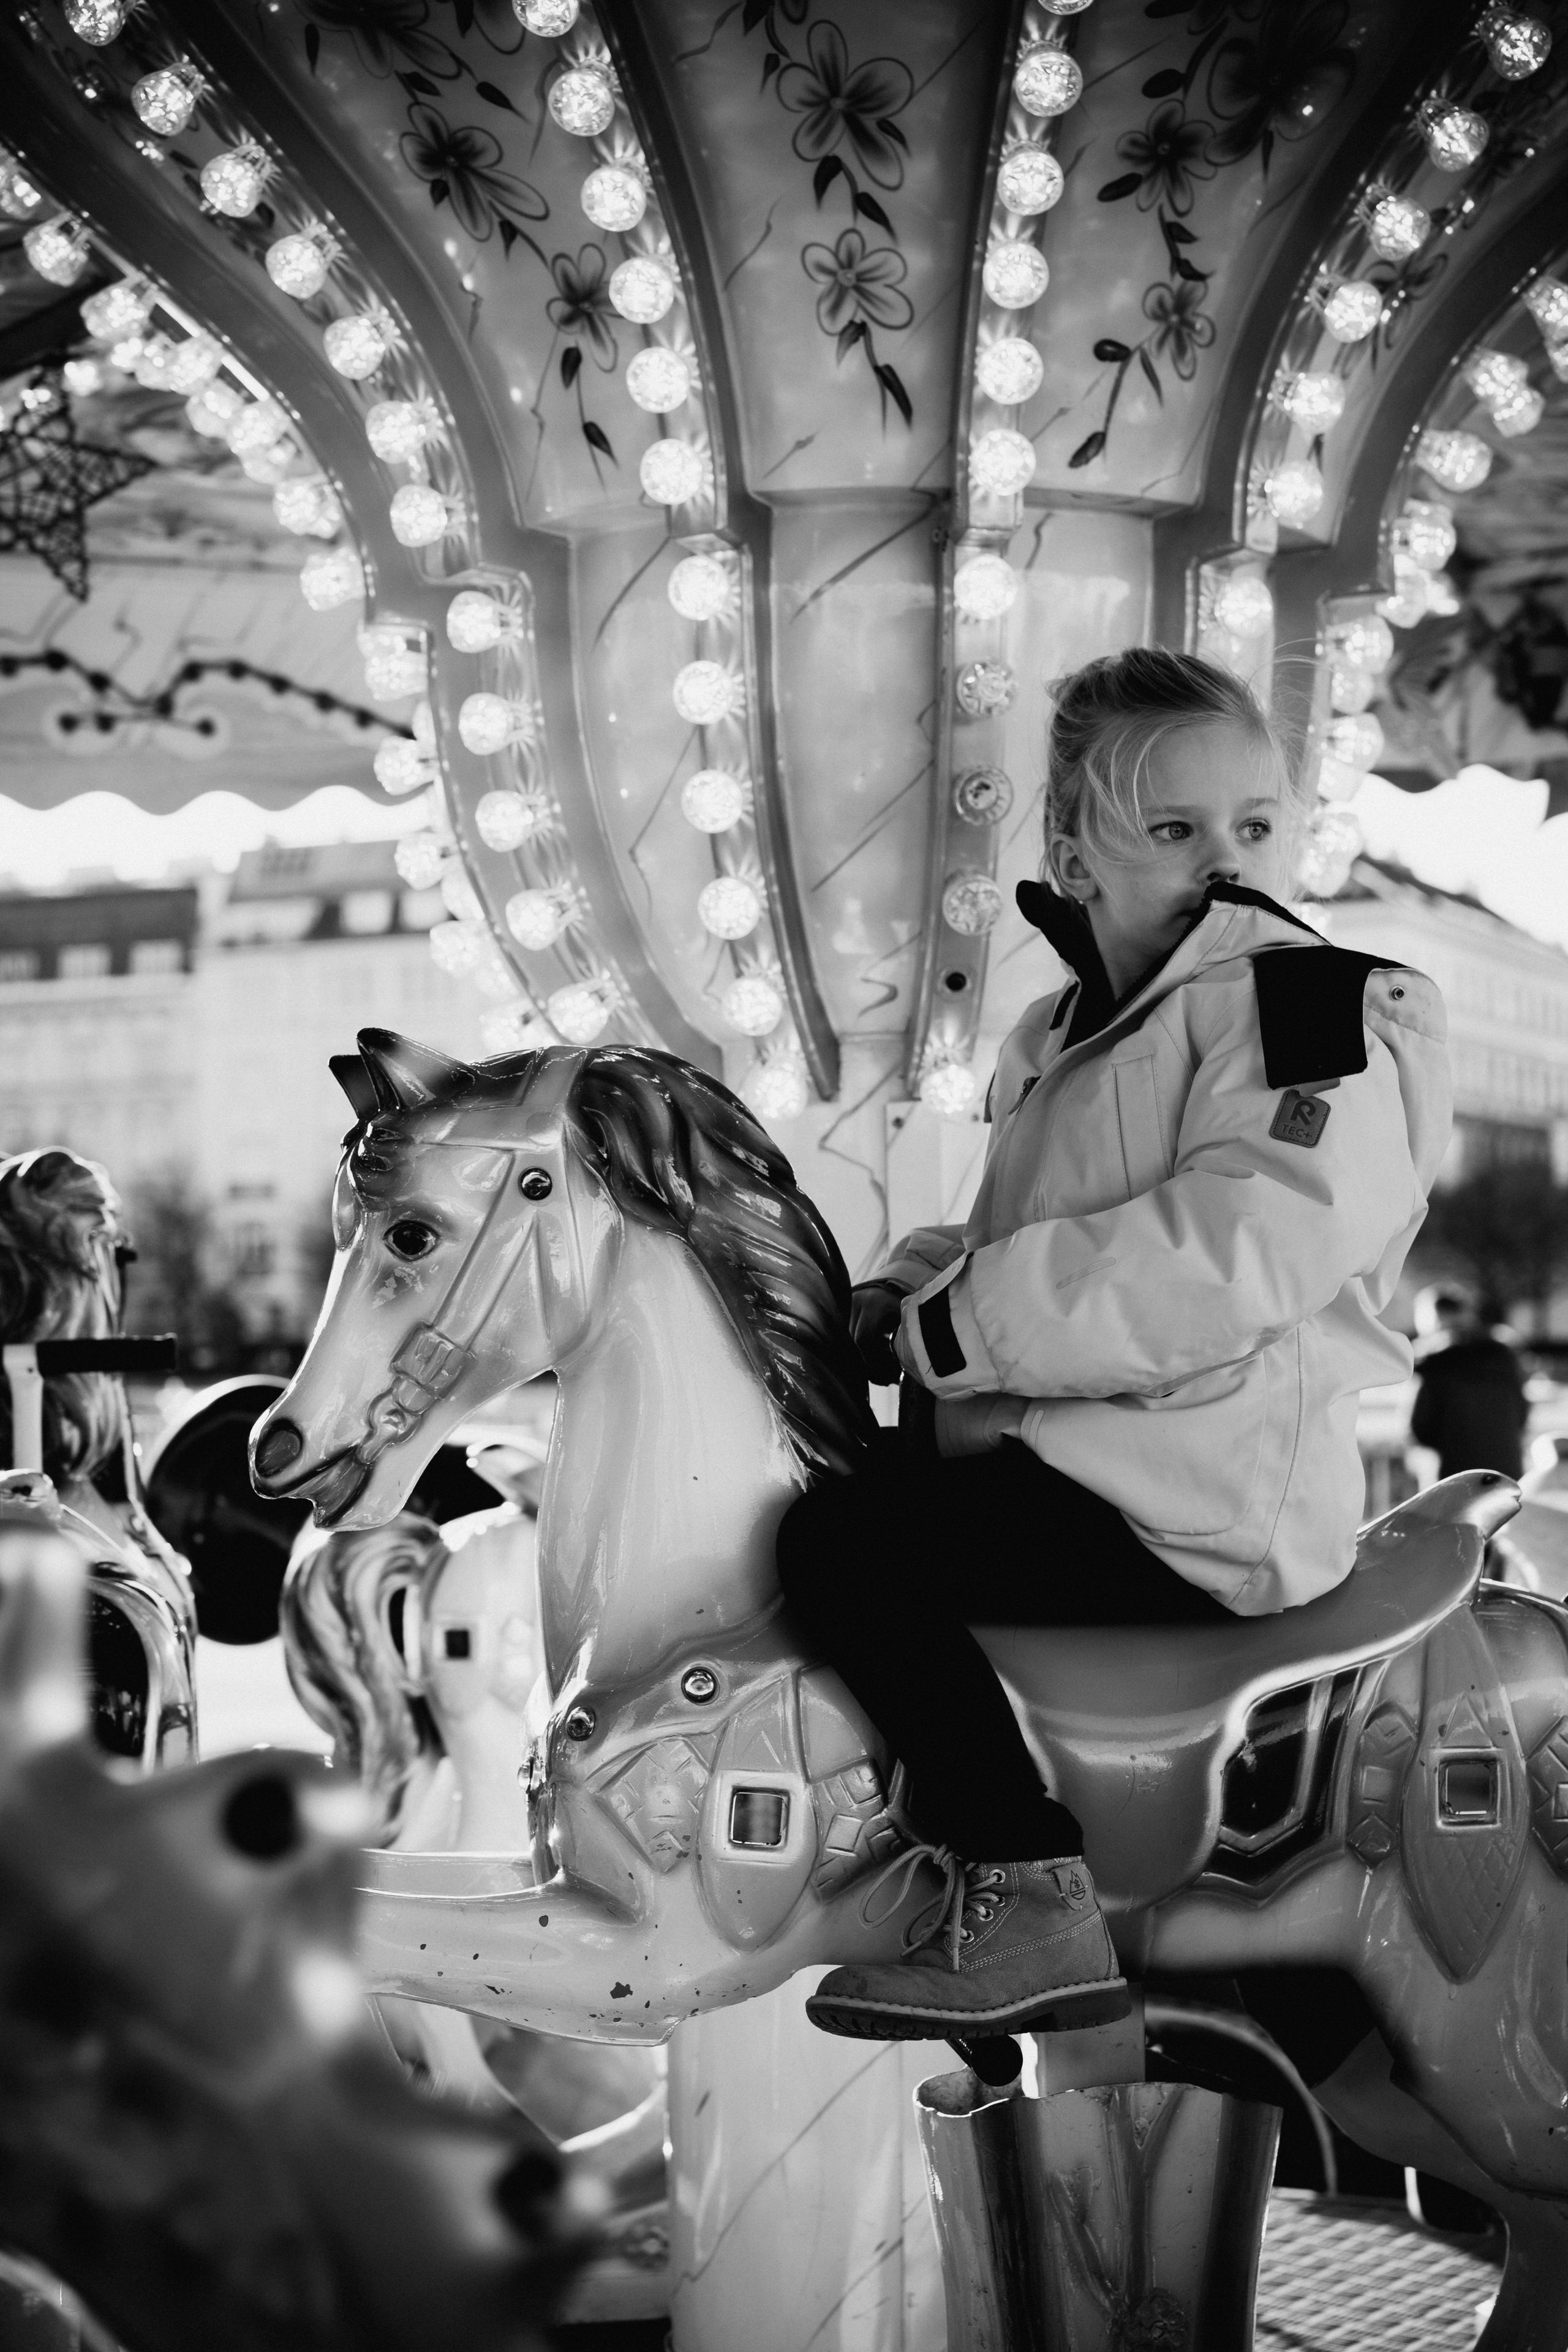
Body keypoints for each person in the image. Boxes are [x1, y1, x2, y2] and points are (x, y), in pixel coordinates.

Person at [776, 646, 1452, 2045]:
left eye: (1249, 826)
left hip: (1195, 1490)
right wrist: (893, 1289)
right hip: (1093, 1461)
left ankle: (1029, 1897)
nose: (1220, 862)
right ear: (1071, 852)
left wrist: (959, 1327)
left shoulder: (1294, 1003)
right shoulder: (1060, 1031)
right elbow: (1028, 1228)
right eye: (1171, 829)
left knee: (841, 1544)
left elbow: (1240, 1241)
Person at [1409, 1284, 1529, 1482]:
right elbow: (1522, 1414)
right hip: (1506, 1473)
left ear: (1433, 1316)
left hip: (1452, 1476)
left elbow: (1420, 1427)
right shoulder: (1504, 1354)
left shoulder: (1433, 1362)